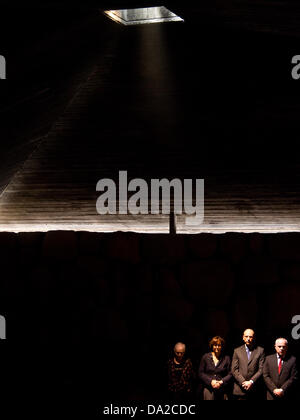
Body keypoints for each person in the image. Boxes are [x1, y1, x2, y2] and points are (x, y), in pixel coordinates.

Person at [231, 328, 265, 399]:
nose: (248, 339)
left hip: (254, 389)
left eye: (250, 337)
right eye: (246, 336)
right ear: (243, 337)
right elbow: (234, 370)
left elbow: (261, 369)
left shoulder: (260, 350)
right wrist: (243, 382)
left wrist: (251, 382)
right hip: (240, 389)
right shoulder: (237, 351)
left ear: (254, 338)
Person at [198, 336, 232, 400]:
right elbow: (200, 373)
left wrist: (221, 381)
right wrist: (210, 381)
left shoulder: (226, 358)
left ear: (222, 346)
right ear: (212, 346)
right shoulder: (206, 357)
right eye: (215, 345)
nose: (217, 347)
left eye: (219, 345)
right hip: (208, 389)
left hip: (222, 389)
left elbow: (230, 373)